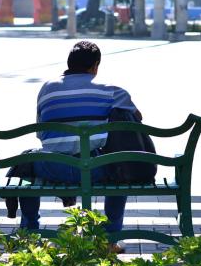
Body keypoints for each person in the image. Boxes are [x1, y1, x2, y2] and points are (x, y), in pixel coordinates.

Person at [19, 40, 139, 238]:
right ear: (95, 66)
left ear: (69, 64)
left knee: (25, 165)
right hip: (95, 168)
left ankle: (30, 232)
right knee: (119, 167)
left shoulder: (47, 89)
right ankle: (110, 237)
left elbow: (42, 135)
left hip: (52, 166)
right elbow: (136, 119)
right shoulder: (111, 90)